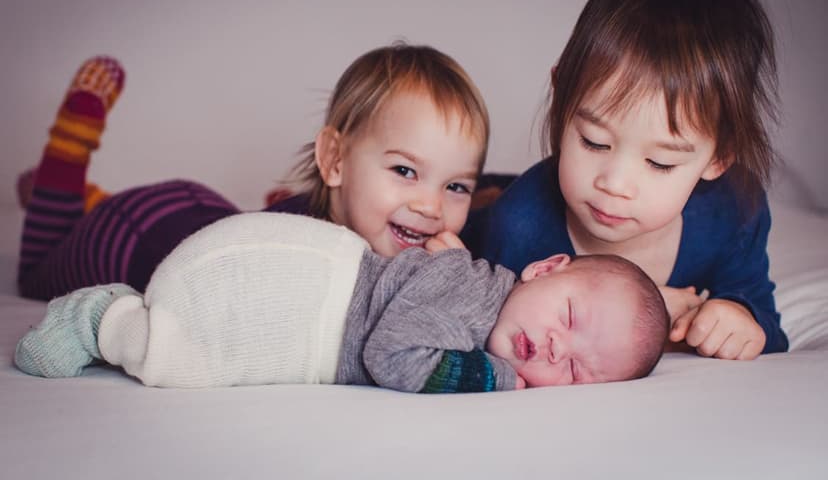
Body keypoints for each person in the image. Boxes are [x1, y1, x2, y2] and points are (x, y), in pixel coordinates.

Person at [462, 0, 788, 360]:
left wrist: (738, 316)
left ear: (718, 157)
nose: (614, 184)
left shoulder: (733, 211)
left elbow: (765, 322)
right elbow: (474, 323)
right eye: (595, 142)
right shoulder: (520, 226)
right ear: (562, 100)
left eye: (660, 163)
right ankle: (482, 194)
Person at [18, 42, 489, 301]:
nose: (431, 206)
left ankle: (87, 197)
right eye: (405, 170)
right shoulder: (287, 248)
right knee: (35, 273)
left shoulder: (408, 237)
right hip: (128, 236)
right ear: (336, 161)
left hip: (204, 207)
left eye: (455, 186)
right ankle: (66, 157)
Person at [14, 212, 669, 392]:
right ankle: (100, 316)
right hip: (294, 292)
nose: (557, 348)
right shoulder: (473, 291)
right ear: (545, 268)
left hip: (311, 307)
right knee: (172, 355)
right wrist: (495, 377)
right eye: (571, 318)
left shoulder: (486, 311)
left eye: (578, 370)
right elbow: (394, 352)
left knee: (189, 359)